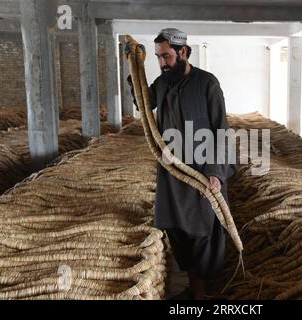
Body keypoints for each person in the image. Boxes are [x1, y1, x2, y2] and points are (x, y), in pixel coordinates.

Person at [128, 28, 235, 300]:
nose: (162, 63)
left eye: (166, 56)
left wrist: (215, 173)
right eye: (157, 58)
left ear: (184, 52)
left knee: (202, 231)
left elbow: (221, 131)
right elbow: (144, 103)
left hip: (200, 173)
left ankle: (201, 294)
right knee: (176, 229)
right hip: (172, 173)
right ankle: (193, 284)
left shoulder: (207, 83)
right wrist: (134, 70)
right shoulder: (163, 83)